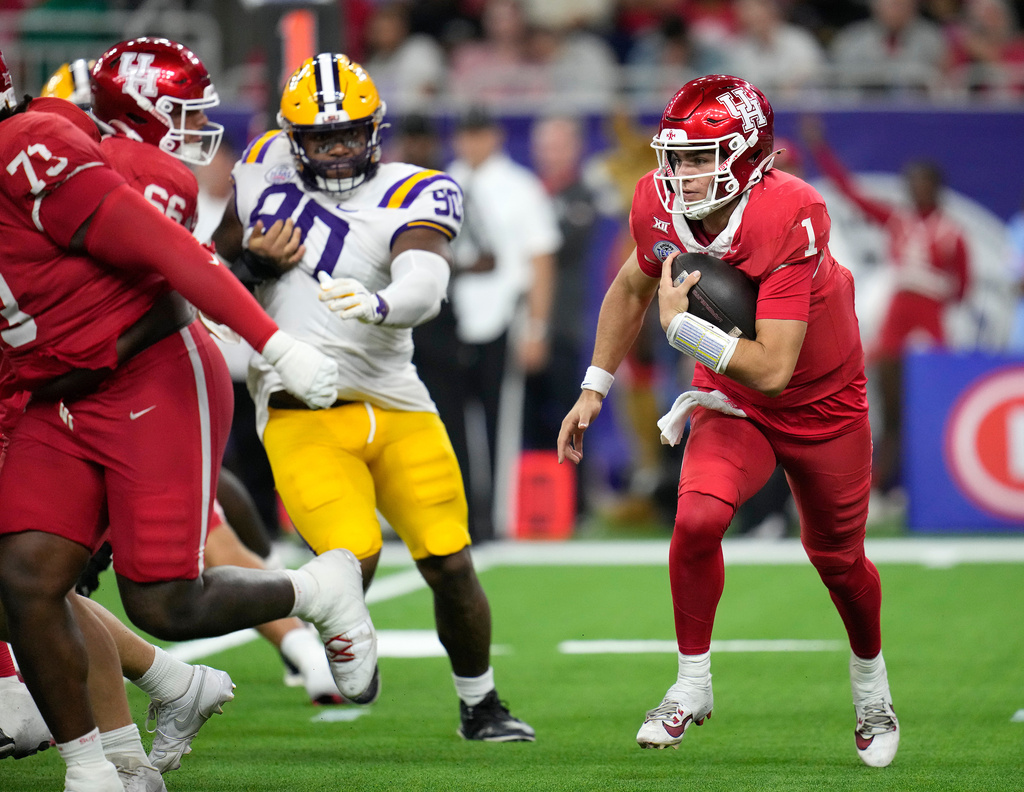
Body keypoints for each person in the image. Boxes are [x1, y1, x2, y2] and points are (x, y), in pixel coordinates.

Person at [0, 45, 378, 792]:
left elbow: (168, 257)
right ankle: (93, 771)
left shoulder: (28, 150)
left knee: (165, 600)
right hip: (50, 390)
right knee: (24, 577)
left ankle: (317, 592)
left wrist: (276, 342)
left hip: (145, 378)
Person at [557, 74, 899, 767]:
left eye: (703, 155)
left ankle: (872, 690)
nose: (683, 173)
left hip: (822, 400)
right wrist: (595, 385)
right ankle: (691, 685)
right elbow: (631, 285)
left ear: (748, 156)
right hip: (732, 396)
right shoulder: (657, 201)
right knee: (696, 520)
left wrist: (684, 333)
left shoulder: (791, 210)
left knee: (837, 560)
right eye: (677, 156)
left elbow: (775, 367)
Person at [211, 52, 534, 742]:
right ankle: (331, 631)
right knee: (351, 559)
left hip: (396, 405)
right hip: (303, 416)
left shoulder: (414, 188)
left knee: (449, 559)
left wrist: (381, 302)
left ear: (375, 130)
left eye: (348, 134)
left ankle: (481, 705)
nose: (334, 150)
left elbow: (426, 281)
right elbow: (210, 268)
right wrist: (254, 265)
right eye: (320, 137)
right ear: (293, 139)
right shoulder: (264, 167)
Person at [801, 116, 970, 508]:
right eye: (911, 181)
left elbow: (962, 284)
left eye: (923, 181)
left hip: (930, 323)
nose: (915, 188)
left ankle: (930, 488)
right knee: (890, 412)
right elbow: (849, 193)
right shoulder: (898, 221)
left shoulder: (951, 233)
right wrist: (820, 149)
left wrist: (936, 301)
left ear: (936, 187)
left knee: (934, 410)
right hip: (897, 323)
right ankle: (879, 489)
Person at [445, 106, 561, 541]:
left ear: (494, 136)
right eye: (464, 134)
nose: (471, 143)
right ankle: (461, 514)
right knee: (452, 421)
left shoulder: (520, 188)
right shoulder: (443, 184)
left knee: (501, 420)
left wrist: (536, 328)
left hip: (504, 313)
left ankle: (496, 519)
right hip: (452, 316)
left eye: (478, 134)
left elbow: (540, 260)